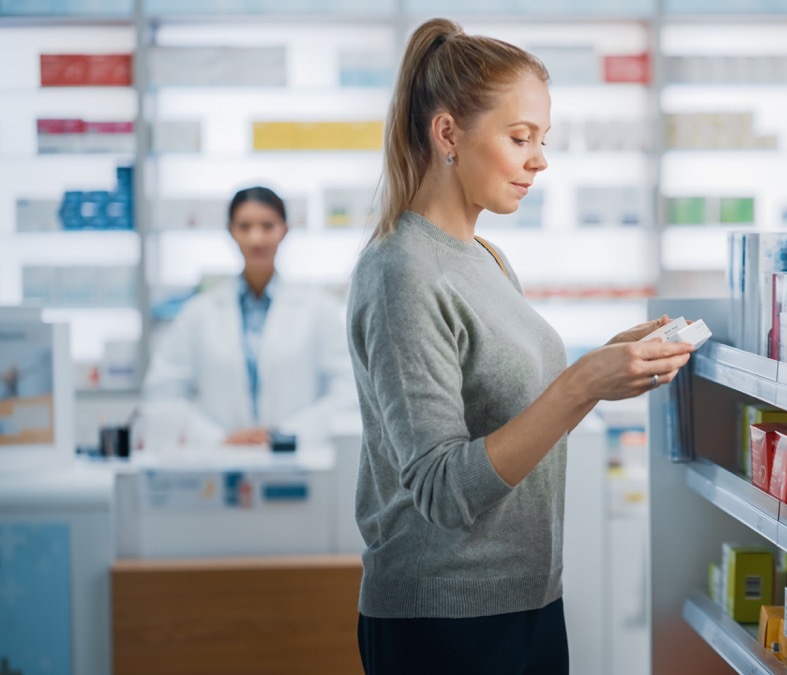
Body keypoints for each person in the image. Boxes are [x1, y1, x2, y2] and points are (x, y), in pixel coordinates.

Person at [349, 18, 693, 675]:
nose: (539, 159)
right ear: (448, 133)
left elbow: (512, 422)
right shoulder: (402, 271)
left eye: (543, 139)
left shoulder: (485, 258)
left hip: (524, 604)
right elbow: (442, 488)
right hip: (443, 625)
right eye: (520, 137)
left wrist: (607, 365)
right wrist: (582, 383)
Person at [142, 186, 356, 447]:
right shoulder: (198, 313)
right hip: (219, 461)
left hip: (298, 461)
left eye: (267, 226)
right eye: (245, 227)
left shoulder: (319, 310)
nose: (257, 238)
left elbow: (348, 393)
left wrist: (285, 435)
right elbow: (163, 394)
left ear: (284, 231)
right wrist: (216, 438)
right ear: (231, 231)